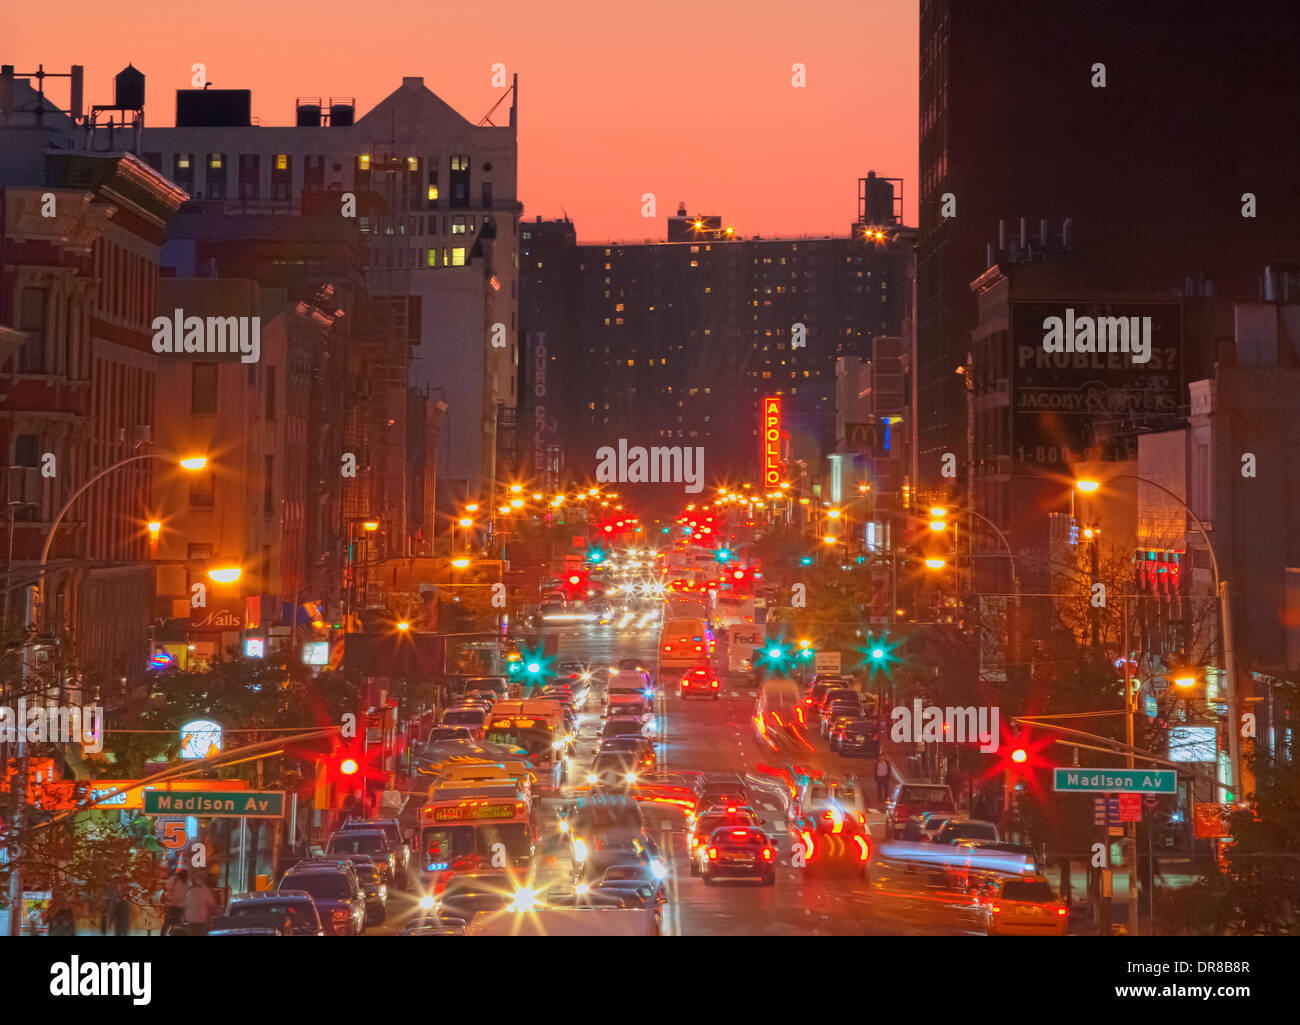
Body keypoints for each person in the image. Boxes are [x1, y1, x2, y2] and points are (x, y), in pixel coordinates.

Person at [183, 872, 217, 937]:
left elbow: (185, 904)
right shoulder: (205, 891)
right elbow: (211, 905)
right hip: (201, 920)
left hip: (190, 920)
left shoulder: (189, 892)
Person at [162, 868, 188, 935]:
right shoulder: (174, 879)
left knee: (175, 924)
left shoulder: (186, 883)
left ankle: (172, 934)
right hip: (172, 906)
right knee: (167, 923)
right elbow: (166, 888)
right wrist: (169, 899)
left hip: (180, 907)